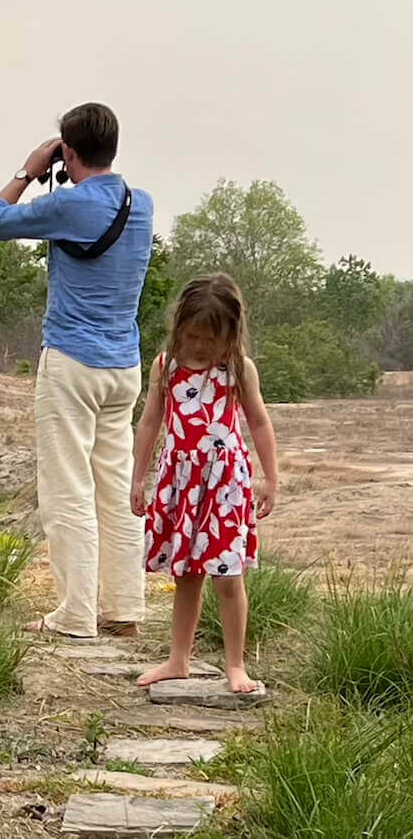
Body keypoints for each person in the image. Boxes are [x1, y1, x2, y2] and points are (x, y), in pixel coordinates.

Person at [0, 103, 153, 639]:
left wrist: (29, 170)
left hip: (72, 361)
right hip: (124, 364)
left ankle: (75, 613)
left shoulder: (66, 204)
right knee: (117, 486)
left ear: (68, 151)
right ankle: (124, 607)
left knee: (68, 488)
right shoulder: (140, 204)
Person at [130, 273, 278, 692]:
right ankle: (178, 660)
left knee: (228, 577)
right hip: (180, 483)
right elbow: (150, 422)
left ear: (231, 334)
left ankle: (236, 665)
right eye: (192, 335)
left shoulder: (238, 369)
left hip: (225, 484)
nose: (199, 346)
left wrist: (270, 478)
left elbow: (260, 422)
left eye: (209, 338)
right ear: (179, 327)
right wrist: (138, 478)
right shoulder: (166, 366)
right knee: (186, 574)